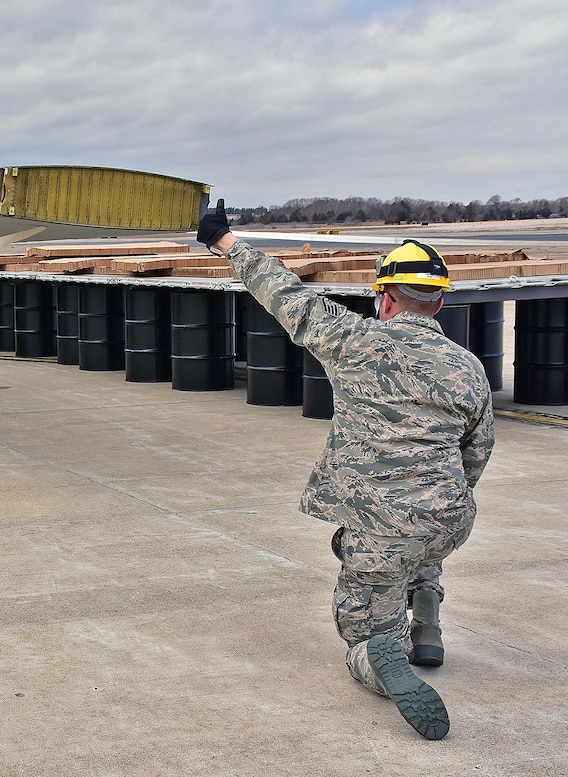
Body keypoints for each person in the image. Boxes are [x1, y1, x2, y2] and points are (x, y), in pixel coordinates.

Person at [197, 200, 494, 740]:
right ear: (440, 301)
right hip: (449, 519)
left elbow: (285, 294)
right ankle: (426, 621)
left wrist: (225, 241)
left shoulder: (353, 341)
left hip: (381, 531)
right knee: (422, 533)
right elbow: (477, 451)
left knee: (362, 628)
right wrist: (450, 498)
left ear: (384, 298)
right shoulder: (468, 367)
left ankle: (383, 658)